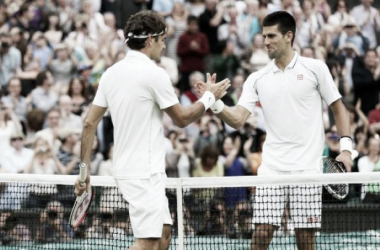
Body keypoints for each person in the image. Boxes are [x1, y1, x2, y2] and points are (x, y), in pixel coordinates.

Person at [197, 11, 353, 250]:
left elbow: (339, 108)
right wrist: (214, 103)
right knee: (261, 235)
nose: (265, 41)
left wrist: (346, 150)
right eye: (263, 35)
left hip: (307, 168)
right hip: (273, 168)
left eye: (271, 36)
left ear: (289, 36)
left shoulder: (315, 68)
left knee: (305, 239)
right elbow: (238, 119)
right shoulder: (257, 78)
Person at [74, 10, 230, 250]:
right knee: (147, 242)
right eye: (162, 39)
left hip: (139, 170)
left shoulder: (109, 74)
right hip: (142, 172)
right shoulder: (155, 74)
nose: (165, 45)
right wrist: (210, 97)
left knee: (164, 235)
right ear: (150, 40)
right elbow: (181, 118)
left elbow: (88, 124)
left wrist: (84, 173)